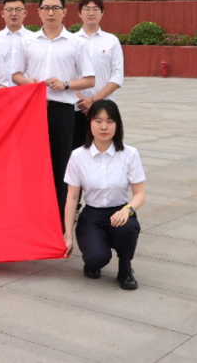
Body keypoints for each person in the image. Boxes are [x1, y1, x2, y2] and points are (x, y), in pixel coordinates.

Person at [12, 0, 95, 224]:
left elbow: (90, 79)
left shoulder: (76, 43)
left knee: (61, 167)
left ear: (64, 12)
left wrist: (65, 84)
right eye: (46, 8)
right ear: (38, 12)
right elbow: (16, 74)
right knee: (32, 165)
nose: (51, 12)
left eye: (55, 8)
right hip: (33, 111)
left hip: (62, 112)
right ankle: (33, 216)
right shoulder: (28, 42)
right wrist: (29, 83)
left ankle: (58, 221)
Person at [63, 99, 145, 290]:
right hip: (92, 215)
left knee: (127, 228)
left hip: (120, 212)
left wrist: (127, 210)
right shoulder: (78, 156)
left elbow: (140, 193)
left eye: (110, 121)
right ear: (90, 123)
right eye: (98, 121)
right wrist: (68, 236)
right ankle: (94, 257)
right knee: (97, 258)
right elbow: (72, 198)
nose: (104, 127)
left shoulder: (130, 154)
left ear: (117, 124)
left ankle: (125, 270)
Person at [73, 0, 125, 151]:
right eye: (87, 9)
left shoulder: (111, 41)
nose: (91, 13)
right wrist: (82, 101)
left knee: (105, 151)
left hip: (104, 109)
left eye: (95, 9)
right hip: (76, 108)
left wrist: (94, 101)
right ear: (79, 13)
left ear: (102, 13)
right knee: (76, 152)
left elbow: (117, 77)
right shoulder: (71, 41)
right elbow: (66, 75)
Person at [0, 0, 32, 75]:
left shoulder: (34, 39)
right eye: (9, 10)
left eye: (18, 9)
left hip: (27, 83)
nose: (13, 13)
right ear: (3, 14)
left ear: (25, 13)